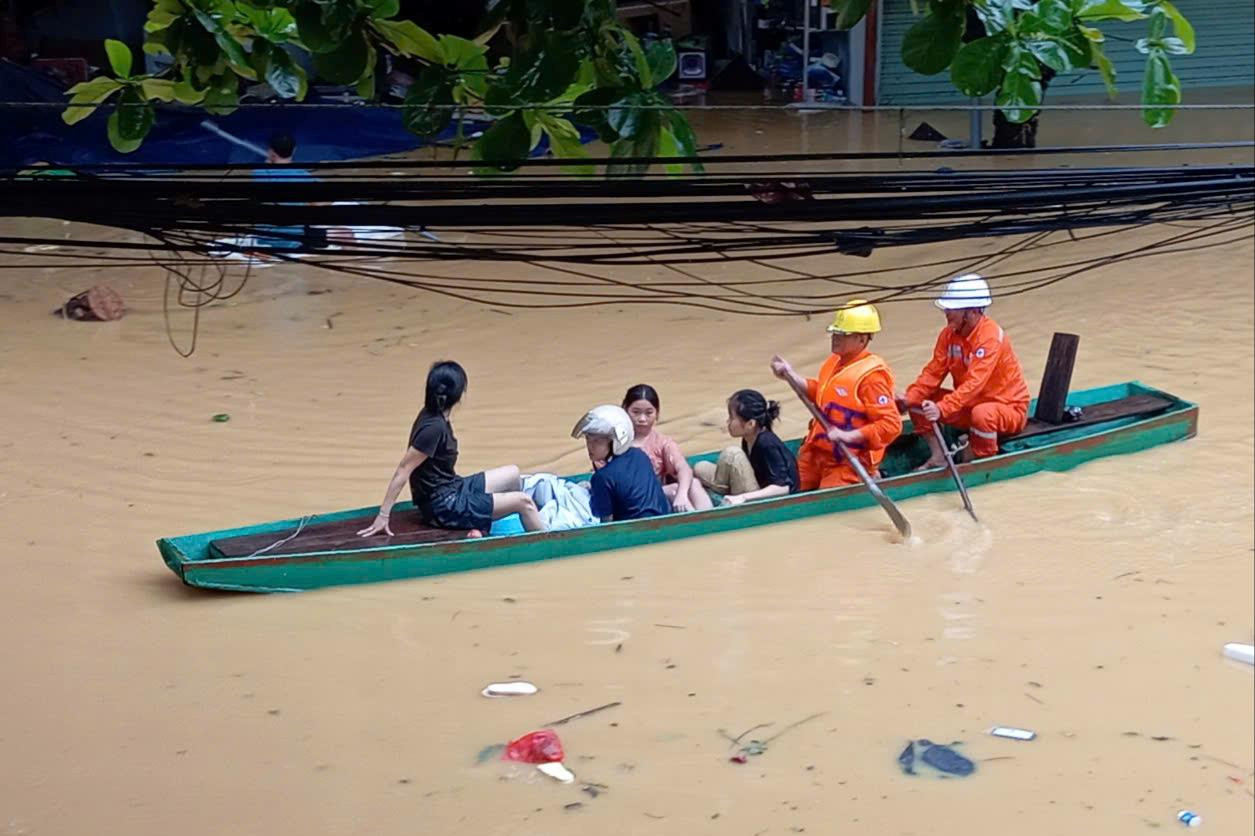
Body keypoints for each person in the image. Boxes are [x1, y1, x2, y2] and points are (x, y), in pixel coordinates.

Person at [358, 361, 545, 537]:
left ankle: (489, 523)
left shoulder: (435, 414)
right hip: (443, 506)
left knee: (513, 473)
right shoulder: (433, 428)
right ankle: (545, 542)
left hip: (452, 487)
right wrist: (383, 515)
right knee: (525, 503)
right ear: (459, 395)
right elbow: (403, 469)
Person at [899, 274, 1030, 467]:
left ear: (971, 312)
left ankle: (981, 461)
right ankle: (938, 455)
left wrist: (942, 409)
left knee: (982, 413)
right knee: (920, 399)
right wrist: (909, 399)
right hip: (968, 406)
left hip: (1007, 409)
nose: (947, 312)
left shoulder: (990, 338)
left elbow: (974, 384)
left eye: (952, 309)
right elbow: (933, 373)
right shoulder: (949, 334)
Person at [770, 299, 902, 489]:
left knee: (826, 498)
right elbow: (823, 394)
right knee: (792, 487)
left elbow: (890, 425)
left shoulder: (872, 378)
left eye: (843, 334)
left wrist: (849, 436)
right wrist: (790, 376)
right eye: (835, 332)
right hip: (817, 451)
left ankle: (872, 475)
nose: (835, 337)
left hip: (849, 460)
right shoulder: (834, 362)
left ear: (862, 339)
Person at [693, 389, 799, 505]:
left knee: (733, 454)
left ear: (750, 424)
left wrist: (743, 497)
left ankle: (730, 495)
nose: (728, 421)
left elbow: (784, 488)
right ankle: (726, 492)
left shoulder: (766, 443)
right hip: (754, 483)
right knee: (700, 467)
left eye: (732, 418)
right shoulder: (748, 437)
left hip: (768, 497)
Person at [621, 384, 712, 512]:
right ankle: (697, 522)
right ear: (625, 410)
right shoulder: (615, 443)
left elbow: (683, 468)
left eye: (649, 413)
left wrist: (682, 494)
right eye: (636, 412)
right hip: (631, 496)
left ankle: (708, 518)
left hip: (659, 492)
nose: (642, 419)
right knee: (672, 490)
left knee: (694, 484)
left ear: (657, 414)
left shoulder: (662, 442)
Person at [571, 405, 671, 522]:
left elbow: (606, 522)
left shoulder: (601, 477)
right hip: (662, 517)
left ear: (616, 440)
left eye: (597, 441)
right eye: (588, 439)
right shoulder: (640, 455)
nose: (590, 446)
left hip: (634, 530)